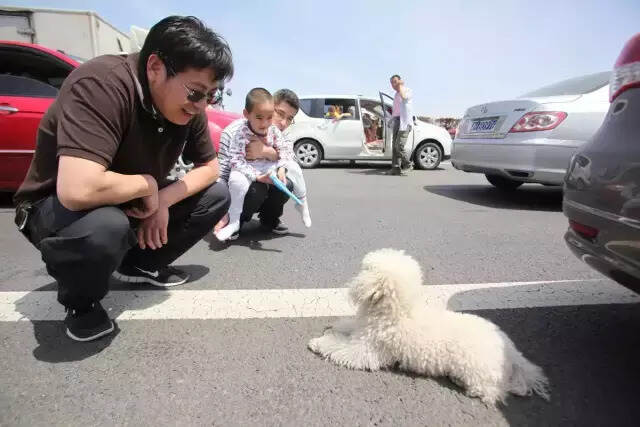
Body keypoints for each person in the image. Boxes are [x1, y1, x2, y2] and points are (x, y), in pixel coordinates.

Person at [12, 16, 233, 342]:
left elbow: (210, 168)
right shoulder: (102, 83)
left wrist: (163, 200)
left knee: (216, 193)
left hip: (131, 200)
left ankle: (139, 265)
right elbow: (78, 189)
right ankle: (81, 300)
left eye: (211, 95)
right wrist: (148, 186)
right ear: (156, 67)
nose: (201, 105)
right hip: (59, 207)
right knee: (106, 227)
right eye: (196, 92)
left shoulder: (190, 106)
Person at [214, 88, 311, 241]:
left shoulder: (282, 133)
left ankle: (270, 219)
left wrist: (265, 151)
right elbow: (222, 174)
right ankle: (235, 221)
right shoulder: (234, 132)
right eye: (280, 114)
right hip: (247, 183)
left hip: (269, 176)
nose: (284, 123)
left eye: (290, 118)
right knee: (252, 188)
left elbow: (290, 159)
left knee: (288, 183)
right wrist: (221, 210)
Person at [389, 74, 414, 175]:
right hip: (397, 121)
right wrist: (391, 120)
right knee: (394, 147)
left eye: (395, 81)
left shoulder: (407, 90)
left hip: (405, 122)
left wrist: (400, 87)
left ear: (400, 81)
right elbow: (396, 111)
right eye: (391, 83)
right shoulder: (395, 95)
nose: (393, 84)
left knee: (399, 146)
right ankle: (395, 168)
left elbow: (404, 97)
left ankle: (408, 164)